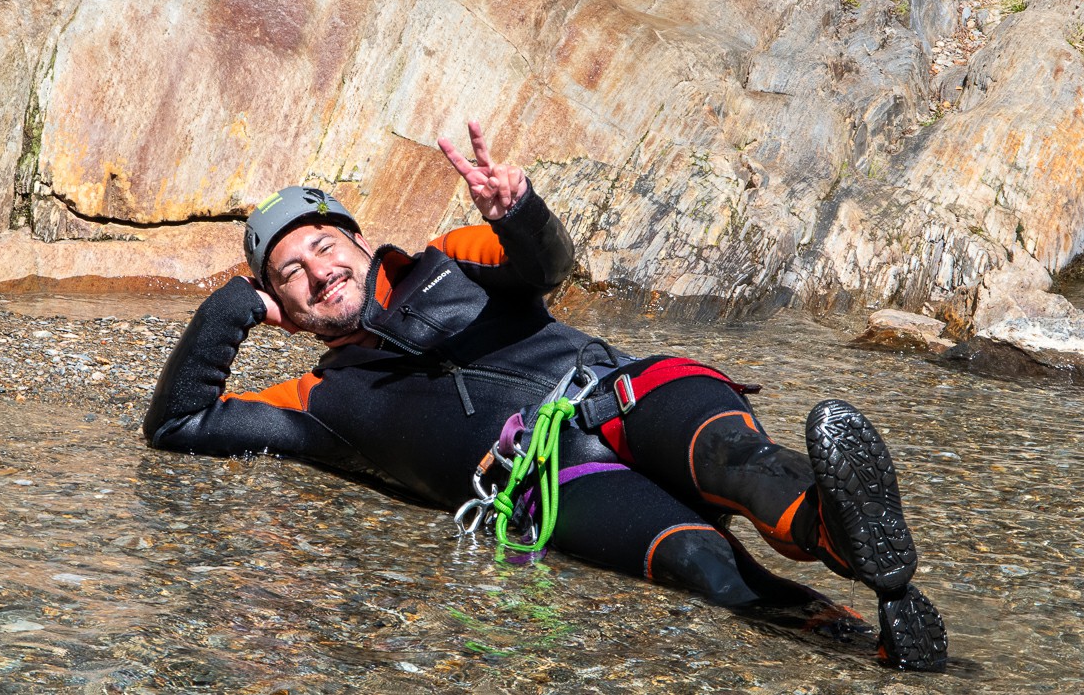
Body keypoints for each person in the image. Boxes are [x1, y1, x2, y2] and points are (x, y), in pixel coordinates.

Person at [143, 123, 948, 671]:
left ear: (358, 239)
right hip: (556, 484)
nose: (318, 271)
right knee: (704, 565)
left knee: (741, 463)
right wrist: (235, 305)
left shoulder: (447, 259)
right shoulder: (316, 400)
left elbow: (544, 264)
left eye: (324, 246)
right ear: (285, 307)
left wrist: (518, 210)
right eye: (290, 274)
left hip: (628, 391)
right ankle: (866, 646)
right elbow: (180, 421)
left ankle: (843, 533)